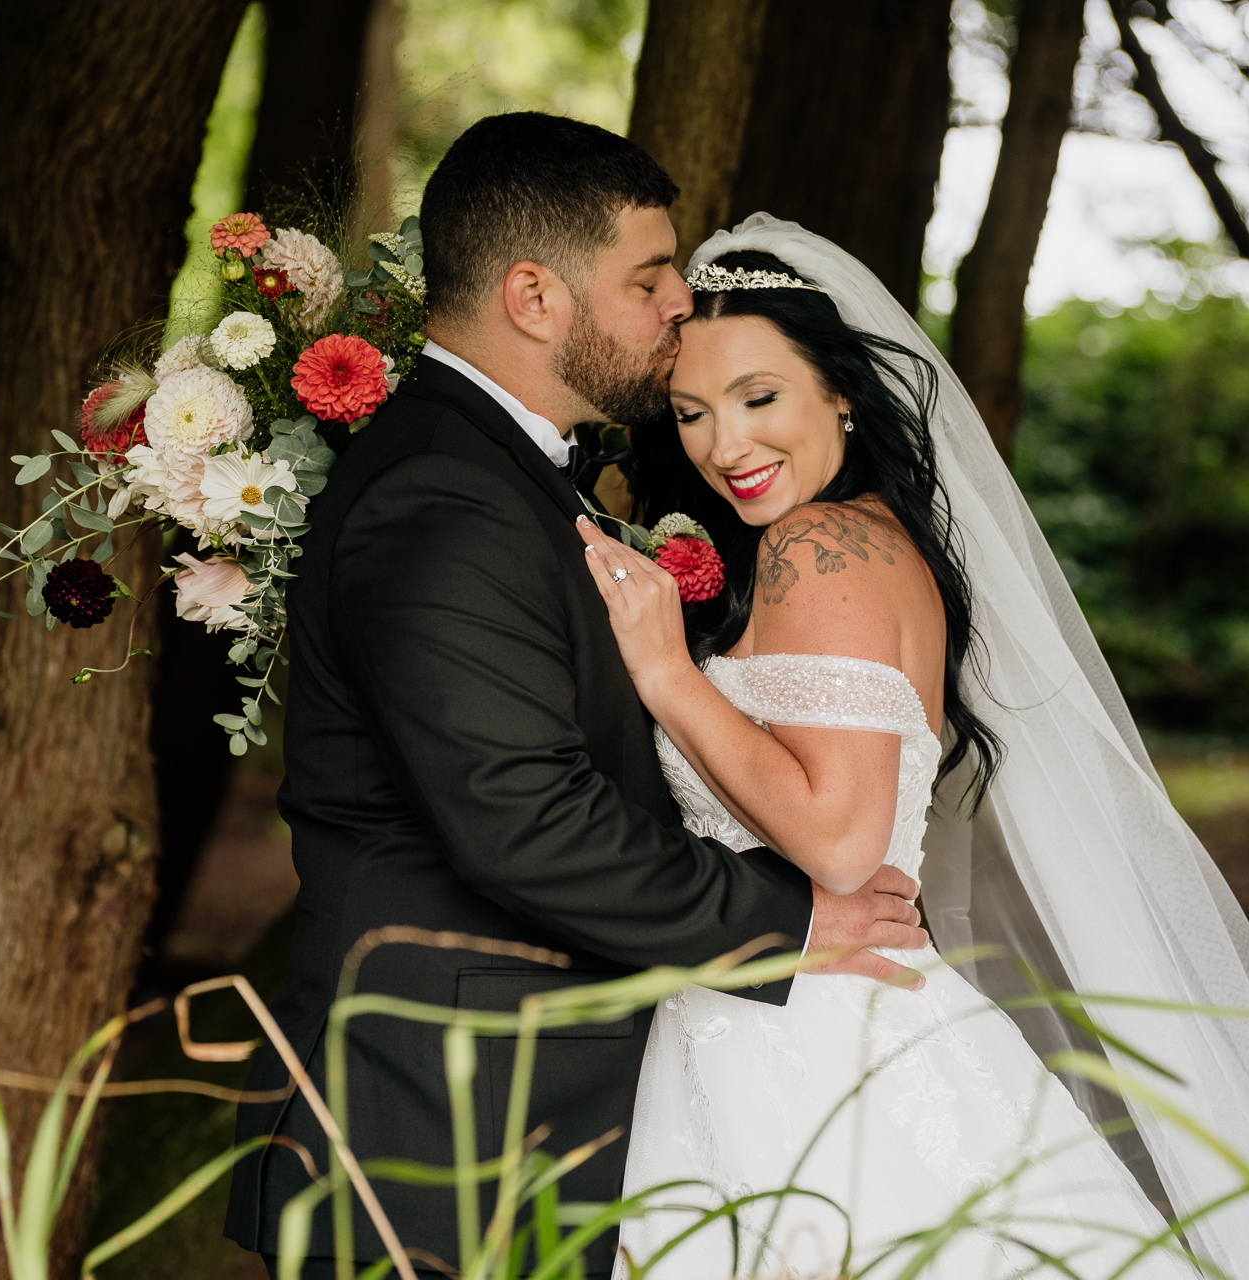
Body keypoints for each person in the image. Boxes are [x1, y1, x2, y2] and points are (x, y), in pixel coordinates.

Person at [576, 218, 1249, 1279]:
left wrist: (665, 675)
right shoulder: (874, 539)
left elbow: (839, 840)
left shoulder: (817, 548)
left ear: (840, 390)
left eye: (759, 397)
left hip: (811, 1047)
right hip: (810, 1014)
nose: (724, 445)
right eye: (691, 412)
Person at [223, 116, 927, 1280]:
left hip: (530, 1101)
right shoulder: (442, 497)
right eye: (650, 280)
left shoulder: (507, 475)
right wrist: (792, 920)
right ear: (536, 296)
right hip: (441, 1123)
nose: (677, 311)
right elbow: (524, 818)